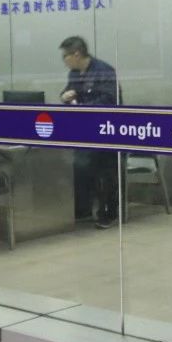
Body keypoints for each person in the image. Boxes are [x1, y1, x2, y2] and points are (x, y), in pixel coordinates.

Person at [58, 36, 119, 229]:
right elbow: (67, 93)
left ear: (76, 54)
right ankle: (82, 209)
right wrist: (64, 96)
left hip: (106, 131)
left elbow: (109, 100)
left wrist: (83, 107)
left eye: (65, 56)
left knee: (101, 168)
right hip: (83, 130)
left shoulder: (104, 71)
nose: (64, 61)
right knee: (75, 164)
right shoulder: (74, 74)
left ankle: (108, 212)